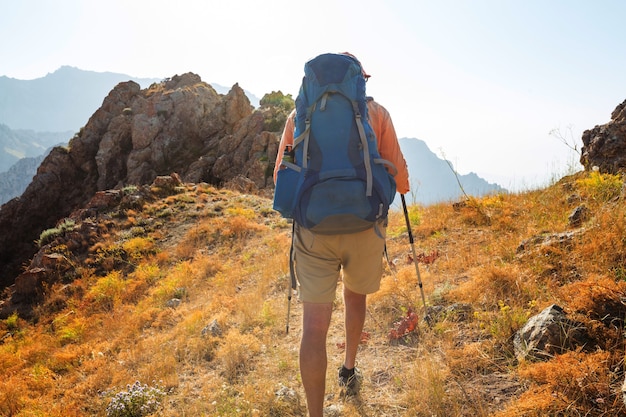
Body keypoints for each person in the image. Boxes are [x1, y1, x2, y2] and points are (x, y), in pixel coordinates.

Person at [273, 53, 410, 417]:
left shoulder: (298, 115)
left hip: (314, 228)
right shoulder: (376, 113)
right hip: (364, 224)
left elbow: (279, 178)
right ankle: (348, 369)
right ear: (359, 80)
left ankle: (315, 413)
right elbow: (400, 177)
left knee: (314, 329)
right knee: (355, 297)